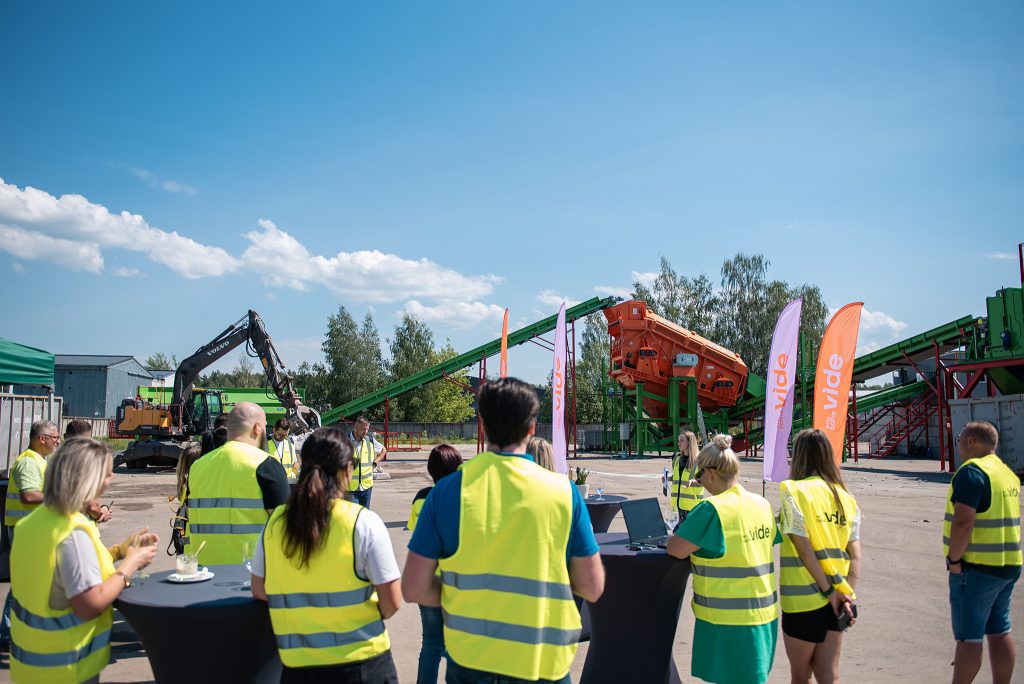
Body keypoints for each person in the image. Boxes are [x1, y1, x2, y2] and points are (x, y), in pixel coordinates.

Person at [403, 377, 605, 684]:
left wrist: (461, 599)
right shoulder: (564, 493)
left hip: (472, 661)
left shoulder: (446, 493)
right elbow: (592, 586)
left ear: (481, 425)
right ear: (532, 427)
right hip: (543, 664)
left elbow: (414, 587)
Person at [251, 428, 402, 683]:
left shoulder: (275, 523)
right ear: (346, 470)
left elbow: (259, 589)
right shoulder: (362, 522)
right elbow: (392, 601)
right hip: (362, 664)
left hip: (298, 665)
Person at [9, 438, 158, 683]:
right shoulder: (72, 532)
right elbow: (89, 604)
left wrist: (119, 551)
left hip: (32, 662)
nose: (108, 483)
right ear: (89, 480)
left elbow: (64, 570)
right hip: (67, 666)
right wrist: (131, 564)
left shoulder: (32, 524)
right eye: (107, 476)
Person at [667, 434, 781, 684]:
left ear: (709, 473)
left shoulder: (712, 509)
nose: (700, 482)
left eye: (698, 476)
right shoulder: (761, 504)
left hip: (729, 622)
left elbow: (675, 548)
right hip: (764, 617)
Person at [779, 429, 861, 684]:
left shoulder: (793, 491)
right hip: (838, 601)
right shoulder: (847, 498)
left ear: (800, 456)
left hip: (803, 600)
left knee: (800, 676)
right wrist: (844, 595)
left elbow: (803, 548)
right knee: (829, 675)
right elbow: (855, 554)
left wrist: (827, 591)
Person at [945, 421, 1021, 684]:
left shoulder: (972, 472)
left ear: (970, 441)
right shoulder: (1006, 474)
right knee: (1000, 630)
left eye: (959, 437)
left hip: (976, 567)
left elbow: (963, 521)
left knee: (969, 637)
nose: (957, 443)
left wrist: (954, 560)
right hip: (1008, 565)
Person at [185, 402, 290, 565]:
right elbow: (286, 527)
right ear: (257, 427)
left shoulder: (198, 466)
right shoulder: (266, 465)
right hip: (250, 573)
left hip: (200, 571)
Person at [407, 444, 464, 684]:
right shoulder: (461, 498)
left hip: (427, 582)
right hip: (454, 583)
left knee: (430, 644)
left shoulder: (421, 497)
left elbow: (413, 530)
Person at [1, 419, 61, 648]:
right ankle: (8, 633)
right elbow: (29, 496)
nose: (58, 441)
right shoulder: (29, 462)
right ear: (42, 439)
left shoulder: (39, 460)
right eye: (54, 437)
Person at [348, 415, 387, 509]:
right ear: (355, 427)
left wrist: (375, 463)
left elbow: (383, 450)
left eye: (367, 429)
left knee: (364, 516)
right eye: (363, 429)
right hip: (350, 489)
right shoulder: (344, 441)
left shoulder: (369, 440)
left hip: (367, 487)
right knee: (354, 517)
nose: (365, 432)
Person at [667, 430, 703, 522]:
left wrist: (695, 481)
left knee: (688, 535)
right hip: (677, 505)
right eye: (678, 441)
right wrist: (668, 478)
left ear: (689, 442)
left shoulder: (700, 460)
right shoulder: (677, 458)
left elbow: (707, 480)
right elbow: (678, 477)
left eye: (681, 440)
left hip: (692, 507)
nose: (679, 443)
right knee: (678, 533)